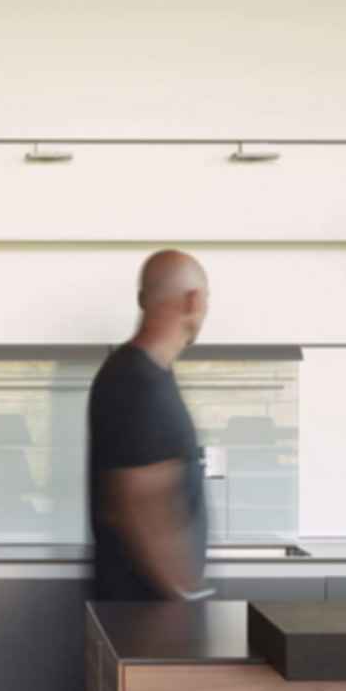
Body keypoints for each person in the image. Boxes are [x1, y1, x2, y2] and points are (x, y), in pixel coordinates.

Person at [88, 250, 211, 602]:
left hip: (145, 614)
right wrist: (183, 594)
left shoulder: (142, 374)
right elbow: (139, 501)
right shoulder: (137, 381)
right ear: (194, 300)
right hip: (146, 618)